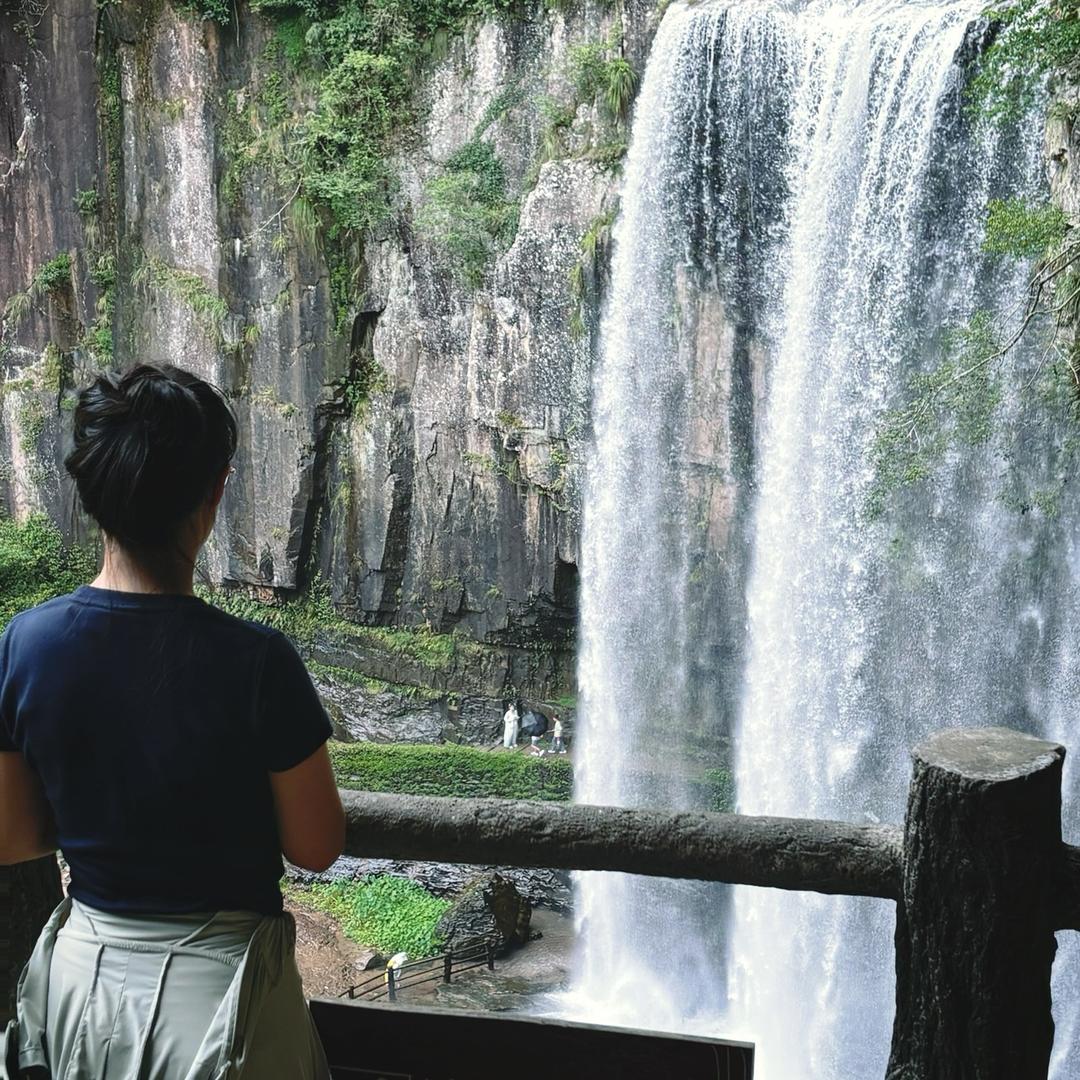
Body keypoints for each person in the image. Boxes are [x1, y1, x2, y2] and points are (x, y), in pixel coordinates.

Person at [0, 364, 344, 1077]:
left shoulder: (23, 645)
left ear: (92, 493)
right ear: (214, 492)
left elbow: (14, 835)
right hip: (222, 1012)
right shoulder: (258, 662)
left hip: (81, 993)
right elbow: (315, 846)